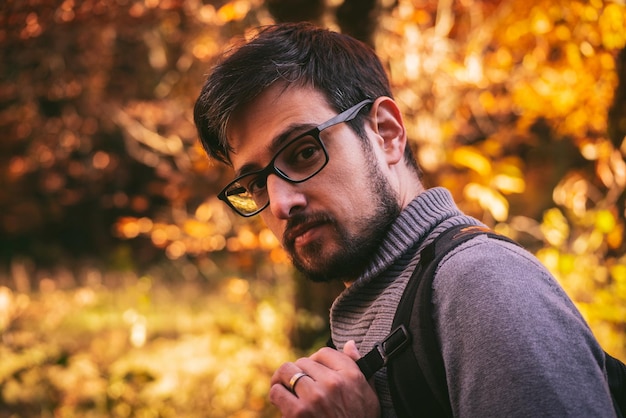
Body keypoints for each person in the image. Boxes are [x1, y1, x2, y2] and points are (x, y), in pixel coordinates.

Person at [194, 22, 617, 417]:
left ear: (386, 132)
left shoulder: (481, 284)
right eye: (254, 183)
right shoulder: (371, 306)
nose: (281, 202)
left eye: (304, 152)